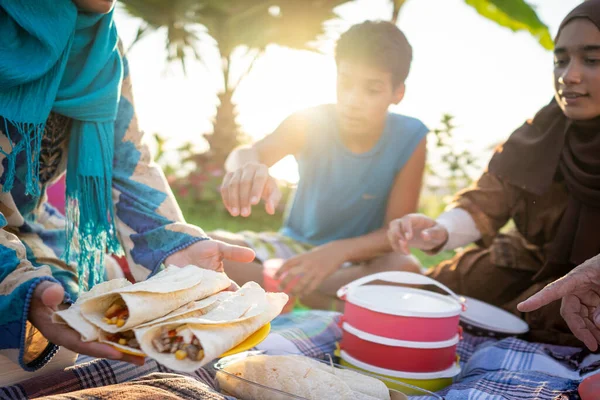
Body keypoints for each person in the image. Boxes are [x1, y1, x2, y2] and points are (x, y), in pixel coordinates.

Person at [0, 0, 254, 385]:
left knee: (80, 319)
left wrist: (173, 246)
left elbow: (128, 162)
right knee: (29, 355)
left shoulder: (101, 46)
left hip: (22, 224)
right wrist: (16, 283)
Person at [387, 0, 600, 347]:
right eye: (561, 60)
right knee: (434, 290)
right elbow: (488, 199)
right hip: (526, 263)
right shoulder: (541, 131)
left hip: (592, 288)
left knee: (565, 312)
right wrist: (440, 230)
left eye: (592, 60)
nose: (569, 75)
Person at [215, 21, 428, 310]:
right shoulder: (309, 121)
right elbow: (245, 153)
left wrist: (337, 252)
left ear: (397, 93)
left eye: (372, 89)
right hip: (291, 252)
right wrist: (249, 167)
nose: (353, 100)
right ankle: (316, 298)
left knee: (406, 269)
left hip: (356, 260)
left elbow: (395, 232)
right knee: (203, 243)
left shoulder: (411, 136)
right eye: (346, 83)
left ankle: (283, 293)